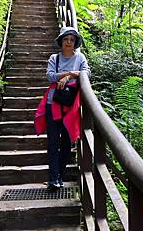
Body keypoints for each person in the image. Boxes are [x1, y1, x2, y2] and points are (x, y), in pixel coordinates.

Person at [34, 26, 90, 190]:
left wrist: (69, 75)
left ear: (75, 43)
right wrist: (69, 74)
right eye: (66, 39)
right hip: (54, 103)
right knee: (53, 142)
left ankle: (59, 176)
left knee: (66, 143)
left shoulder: (80, 58)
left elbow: (87, 73)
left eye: (72, 40)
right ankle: (53, 179)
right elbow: (50, 76)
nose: (69, 42)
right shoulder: (54, 58)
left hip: (70, 105)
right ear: (61, 41)